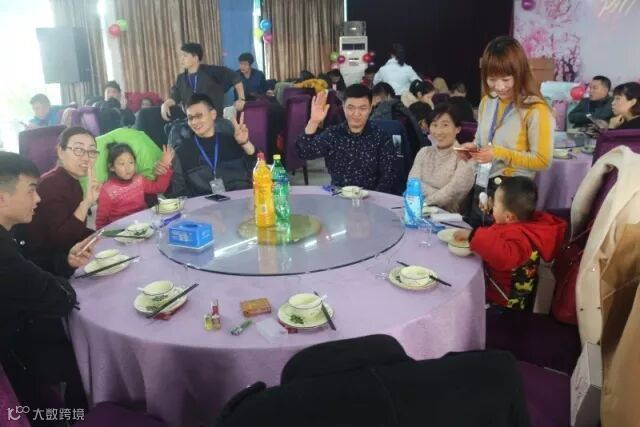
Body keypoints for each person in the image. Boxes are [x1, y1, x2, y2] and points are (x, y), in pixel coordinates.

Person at [0, 152, 97, 416]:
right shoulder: (4, 255)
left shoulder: (11, 234)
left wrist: (66, 261)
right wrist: (59, 280)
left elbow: (31, 268)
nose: (38, 199)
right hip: (15, 357)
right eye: (31, 191)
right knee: (87, 354)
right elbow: (61, 298)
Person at [457, 36, 554, 227]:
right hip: (483, 185)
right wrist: (473, 149)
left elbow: (543, 160)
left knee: (501, 244)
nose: (499, 86)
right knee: (475, 239)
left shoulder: (536, 109)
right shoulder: (487, 102)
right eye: (492, 79)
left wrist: (498, 153)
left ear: (520, 73)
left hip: (512, 195)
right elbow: (482, 140)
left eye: (506, 79)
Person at [454, 177, 566, 311]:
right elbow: (504, 228)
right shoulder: (522, 223)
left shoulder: (520, 237)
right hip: (500, 291)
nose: (492, 205)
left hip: (504, 303)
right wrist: (494, 212)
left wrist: (472, 235)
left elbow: (503, 255)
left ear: (508, 216)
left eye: (495, 205)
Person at [297, 85, 396, 192]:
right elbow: (306, 152)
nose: (356, 114)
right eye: (351, 108)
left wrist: (374, 198)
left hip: (371, 196)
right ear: (343, 107)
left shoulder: (381, 137)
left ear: (370, 108)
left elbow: (388, 176)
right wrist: (314, 121)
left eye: (363, 108)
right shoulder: (333, 134)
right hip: (339, 196)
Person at [25, 127, 100, 267]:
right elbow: (63, 241)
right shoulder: (50, 184)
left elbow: (76, 229)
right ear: (61, 151)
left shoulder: (72, 180)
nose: (86, 158)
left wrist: (101, 234)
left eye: (91, 151)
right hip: (49, 264)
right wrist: (86, 204)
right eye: (78, 150)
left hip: (68, 253)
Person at [168, 93, 257, 197]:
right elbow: (176, 193)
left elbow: (258, 170)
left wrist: (245, 143)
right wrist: (164, 174)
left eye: (199, 116)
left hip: (241, 202)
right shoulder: (182, 152)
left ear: (213, 114)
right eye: (190, 118)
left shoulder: (233, 141)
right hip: (202, 206)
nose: (194, 122)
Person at [408, 104, 475, 213]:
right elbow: (412, 184)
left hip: (449, 218)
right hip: (418, 213)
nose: (438, 132)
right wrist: (438, 194)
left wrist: (424, 202)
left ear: (457, 129)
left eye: (445, 125)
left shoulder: (465, 156)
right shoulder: (423, 152)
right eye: (434, 125)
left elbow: (453, 195)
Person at [95, 143, 174, 228]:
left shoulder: (139, 180)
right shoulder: (107, 191)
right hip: (123, 230)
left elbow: (159, 188)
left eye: (131, 162)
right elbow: (101, 221)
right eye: (122, 164)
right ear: (112, 167)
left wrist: (165, 165)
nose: (128, 168)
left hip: (144, 225)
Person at [161, 43, 246, 120]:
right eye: (181, 56)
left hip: (214, 121)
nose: (181, 59)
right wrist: (165, 104)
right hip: (193, 122)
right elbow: (174, 97)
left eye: (185, 56)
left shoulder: (211, 71)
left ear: (195, 58)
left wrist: (241, 99)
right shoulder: (181, 79)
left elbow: (235, 76)